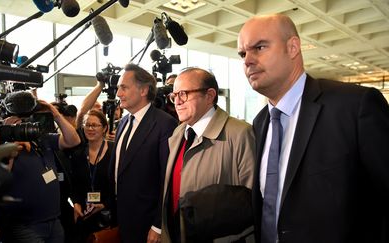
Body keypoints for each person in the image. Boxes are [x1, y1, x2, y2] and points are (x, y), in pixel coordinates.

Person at [237, 14, 389, 243]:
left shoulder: (355, 106)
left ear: (293, 47)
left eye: (259, 47)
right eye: (242, 53)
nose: (247, 60)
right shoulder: (260, 122)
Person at [160, 67, 255, 242]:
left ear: (209, 95)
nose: (177, 102)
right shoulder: (177, 134)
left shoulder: (240, 134)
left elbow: (253, 202)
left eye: (183, 94)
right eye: (174, 96)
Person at [0, 92, 81, 243]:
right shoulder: (3, 146)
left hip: (54, 221)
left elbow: (73, 140)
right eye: (21, 119)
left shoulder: (42, 138)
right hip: (25, 226)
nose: (26, 123)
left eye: (29, 118)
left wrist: (55, 113)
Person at [109, 63, 177, 243]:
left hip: (147, 223)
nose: (118, 94)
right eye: (118, 88)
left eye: (123, 87)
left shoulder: (165, 124)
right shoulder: (123, 122)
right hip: (122, 217)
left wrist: (158, 224)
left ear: (144, 90)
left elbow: (167, 178)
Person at [67, 109, 113, 241]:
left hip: (108, 214)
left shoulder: (115, 151)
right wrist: (76, 203)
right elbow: (74, 184)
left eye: (95, 125)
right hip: (84, 214)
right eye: (87, 125)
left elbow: (121, 185)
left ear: (104, 128)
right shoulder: (78, 154)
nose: (90, 128)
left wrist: (105, 204)